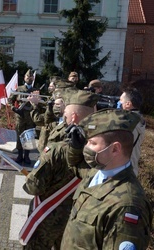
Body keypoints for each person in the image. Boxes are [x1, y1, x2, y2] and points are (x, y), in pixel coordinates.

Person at [61, 109, 153, 249]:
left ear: (115, 149)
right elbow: (73, 165)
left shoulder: (127, 205)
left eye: (92, 143)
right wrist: (75, 147)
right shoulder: (96, 173)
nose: (86, 148)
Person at [20, 90, 98, 249]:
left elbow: (34, 187)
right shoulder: (99, 150)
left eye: (66, 112)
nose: (64, 115)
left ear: (74, 117)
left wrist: (29, 179)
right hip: (75, 221)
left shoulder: (57, 150)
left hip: (48, 219)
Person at [8, 70, 36, 165]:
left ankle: (27, 156)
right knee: (20, 135)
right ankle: (20, 155)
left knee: (29, 136)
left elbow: (39, 102)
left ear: (33, 78)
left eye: (31, 77)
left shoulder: (35, 91)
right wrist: (14, 108)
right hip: (20, 116)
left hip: (30, 117)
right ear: (24, 78)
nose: (29, 79)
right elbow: (10, 99)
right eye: (27, 77)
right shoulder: (19, 89)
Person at [120, 87, 145, 176]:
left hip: (121, 171)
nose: (119, 102)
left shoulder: (127, 122)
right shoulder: (139, 119)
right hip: (131, 168)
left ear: (128, 104)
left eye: (120, 100)